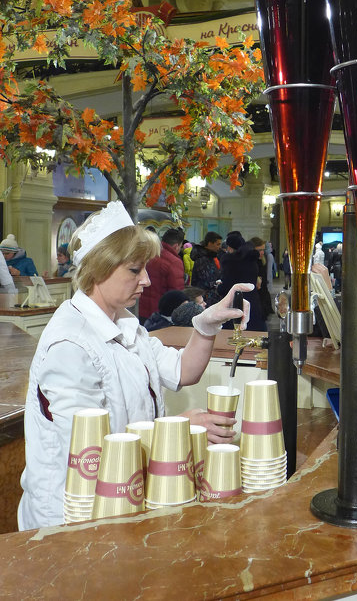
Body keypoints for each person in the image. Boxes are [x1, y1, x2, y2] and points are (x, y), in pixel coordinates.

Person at [17, 199, 253, 530]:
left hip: (123, 498)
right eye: (134, 270)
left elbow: (183, 370)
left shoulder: (126, 324)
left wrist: (204, 327)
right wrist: (179, 427)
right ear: (99, 268)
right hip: (71, 519)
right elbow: (90, 453)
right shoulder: (69, 345)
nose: (145, 280)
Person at [219, 237, 267, 332]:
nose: (262, 252)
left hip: (235, 302)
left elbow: (226, 286)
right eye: (260, 250)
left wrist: (219, 288)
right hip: (253, 302)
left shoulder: (231, 262)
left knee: (234, 331)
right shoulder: (252, 261)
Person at [139, 227, 185, 322]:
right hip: (161, 314)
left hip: (141, 309)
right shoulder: (174, 262)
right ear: (176, 246)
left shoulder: (149, 254)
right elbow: (176, 292)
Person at [190, 231, 223, 306]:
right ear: (209, 243)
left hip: (210, 298)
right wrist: (217, 283)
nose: (219, 247)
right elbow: (204, 282)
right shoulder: (202, 259)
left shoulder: (210, 257)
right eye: (217, 244)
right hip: (204, 299)